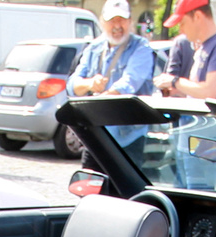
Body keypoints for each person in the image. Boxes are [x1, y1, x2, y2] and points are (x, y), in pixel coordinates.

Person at [66, 0, 155, 168]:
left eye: (122, 20)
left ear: (130, 22)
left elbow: (128, 85)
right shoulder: (94, 48)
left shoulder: (141, 47)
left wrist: (102, 96)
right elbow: (72, 85)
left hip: (128, 139)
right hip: (96, 136)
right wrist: (90, 84)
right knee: (89, 190)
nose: (117, 25)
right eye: (112, 20)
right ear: (102, 22)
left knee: (125, 193)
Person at [154, 0, 216, 101]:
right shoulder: (205, 45)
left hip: (213, 117)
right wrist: (174, 90)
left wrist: (175, 81)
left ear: (197, 17)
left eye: (182, 23)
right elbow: (199, 92)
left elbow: (209, 92)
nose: (181, 30)